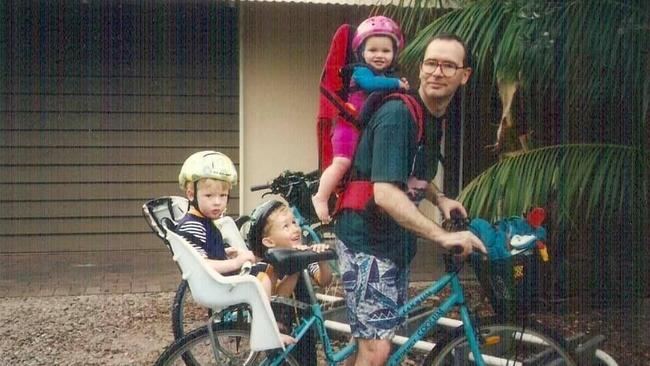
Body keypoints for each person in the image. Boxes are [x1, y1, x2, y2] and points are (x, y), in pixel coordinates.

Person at [334, 34, 487, 365]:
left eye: (449, 65)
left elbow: (412, 173)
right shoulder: (398, 115)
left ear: (465, 75)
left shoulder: (429, 117)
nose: (437, 72)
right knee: (376, 351)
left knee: (371, 342)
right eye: (431, 63)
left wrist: (440, 197)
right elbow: (386, 194)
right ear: (420, 68)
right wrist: (443, 236)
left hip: (393, 242)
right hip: (367, 242)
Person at [176, 151, 296, 345]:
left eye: (223, 195)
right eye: (209, 195)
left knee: (269, 268)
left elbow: (206, 251)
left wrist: (228, 254)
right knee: (263, 278)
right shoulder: (193, 225)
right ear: (191, 194)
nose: (217, 202)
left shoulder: (203, 220)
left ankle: (269, 315)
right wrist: (236, 261)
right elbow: (202, 264)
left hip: (218, 279)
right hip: (216, 284)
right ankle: (265, 330)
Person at [312, 16, 410, 224]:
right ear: (361, 52)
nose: (379, 55)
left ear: (394, 54)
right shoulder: (362, 72)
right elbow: (369, 84)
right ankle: (320, 197)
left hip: (362, 132)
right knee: (342, 162)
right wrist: (397, 84)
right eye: (373, 50)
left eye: (386, 51)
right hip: (347, 128)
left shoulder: (385, 79)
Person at [247, 199, 333, 366]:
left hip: (304, 330)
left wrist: (320, 258)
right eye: (285, 226)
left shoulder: (305, 254)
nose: (295, 229)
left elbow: (325, 280)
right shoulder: (265, 266)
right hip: (279, 331)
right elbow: (278, 296)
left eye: (294, 222)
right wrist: (296, 266)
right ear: (269, 242)